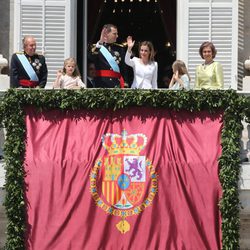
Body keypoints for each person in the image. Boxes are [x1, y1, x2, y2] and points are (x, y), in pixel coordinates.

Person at [89, 24, 125, 88]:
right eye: (114, 34)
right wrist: (100, 42)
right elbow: (91, 57)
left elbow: (124, 68)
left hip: (116, 84)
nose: (117, 36)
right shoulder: (97, 47)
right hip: (101, 84)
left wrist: (125, 83)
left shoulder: (120, 49)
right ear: (106, 34)